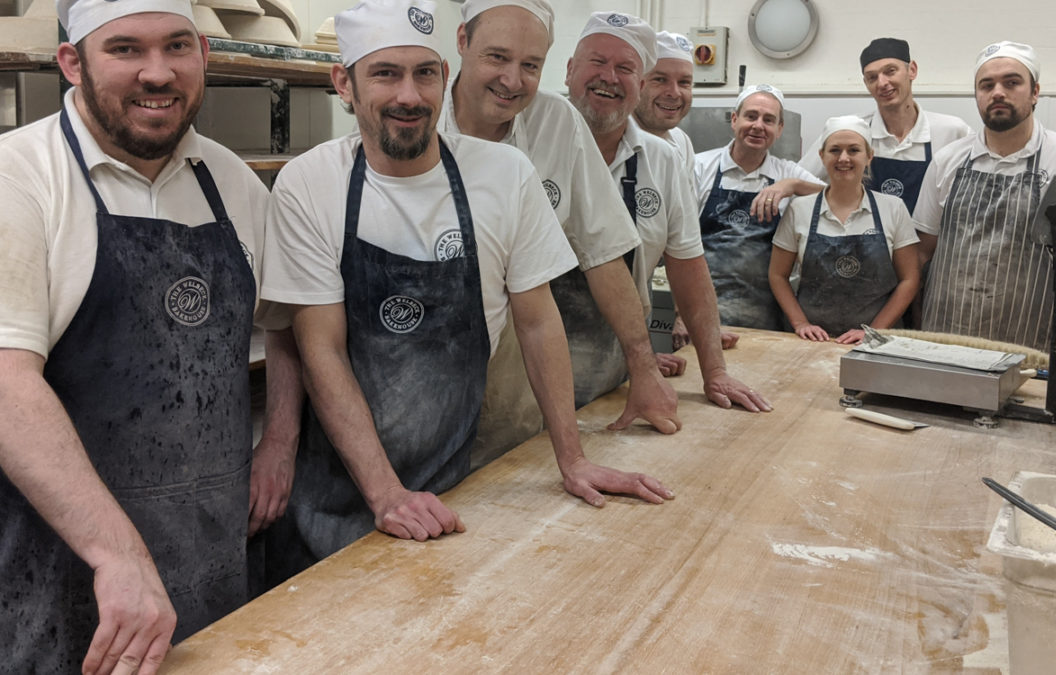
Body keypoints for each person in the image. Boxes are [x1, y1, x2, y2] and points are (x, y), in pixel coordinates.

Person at [258, 0, 674, 582]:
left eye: (424, 73)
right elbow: (318, 347)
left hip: (454, 481)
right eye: (385, 74)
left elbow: (538, 321)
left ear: (444, 75)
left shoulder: (504, 173)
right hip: (334, 485)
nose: (409, 95)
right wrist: (386, 493)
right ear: (343, 84)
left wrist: (572, 458)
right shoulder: (310, 182)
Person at [0, 0, 269, 670]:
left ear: (203, 54)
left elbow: (288, 329)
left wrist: (282, 443)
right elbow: (6, 382)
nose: (158, 72)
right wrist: (118, 556)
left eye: (177, 45)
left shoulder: (233, 182)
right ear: (72, 63)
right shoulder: (20, 176)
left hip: (212, 557)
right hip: (59, 572)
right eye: (125, 49)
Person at [440, 0, 680, 470]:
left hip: (513, 382)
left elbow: (604, 251)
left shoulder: (556, 123)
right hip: (419, 369)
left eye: (531, 65)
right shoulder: (417, 118)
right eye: (497, 57)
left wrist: (643, 366)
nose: (512, 80)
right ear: (463, 41)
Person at [566, 11, 771, 413]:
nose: (609, 77)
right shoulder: (532, 140)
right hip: (525, 373)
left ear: (638, 84)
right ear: (570, 69)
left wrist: (714, 371)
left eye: (626, 69)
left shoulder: (663, 160)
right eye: (597, 62)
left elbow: (688, 265)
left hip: (616, 373)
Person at [914, 42, 1056, 376]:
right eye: (986, 85)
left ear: (1035, 92)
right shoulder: (948, 160)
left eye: (1012, 82)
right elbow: (921, 254)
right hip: (945, 339)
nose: (998, 92)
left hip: (1031, 345)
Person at [770, 116, 920, 343]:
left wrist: (873, 331)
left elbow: (909, 279)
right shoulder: (799, 209)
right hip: (813, 341)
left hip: (874, 342)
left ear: (869, 156)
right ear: (822, 156)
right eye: (834, 150)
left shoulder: (893, 208)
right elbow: (777, 275)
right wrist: (800, 323)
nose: (843, 158)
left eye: (854, 150)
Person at [694, 84, 824, 333]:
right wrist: (681, 314)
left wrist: (793, 185)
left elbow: (837, 198)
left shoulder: (786, 172)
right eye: (751, 116)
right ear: (735, 120)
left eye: (768, 120)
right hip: (704, 316)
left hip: (767, 317)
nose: (758, 126)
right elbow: (679, 245)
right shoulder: (699, 167)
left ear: (779, 129)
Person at [799, 37, 971, 215]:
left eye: (890, 71)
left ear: (912, 70)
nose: (882, 83)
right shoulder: (851, 131)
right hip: (865, 232)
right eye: (872, 77)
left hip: (927, 233)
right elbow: (800, 179)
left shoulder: (952, 132)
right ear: (866, 84)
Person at [632, 30, 696, 181]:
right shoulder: (612, 139)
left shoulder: (681, 141)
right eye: (660, 80)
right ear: (637, 83)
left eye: (684, 82)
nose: (674, 93)